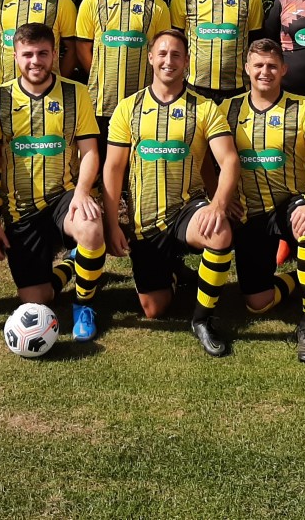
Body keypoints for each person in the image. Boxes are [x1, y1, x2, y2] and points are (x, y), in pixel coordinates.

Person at [102, 29, 241, 357]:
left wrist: (218, 205)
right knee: (154, 309)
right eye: (162, 53)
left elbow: (229, 160)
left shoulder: (204, 108)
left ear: (187, 61)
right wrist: (112, 224)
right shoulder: (128, 108)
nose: (169, 60)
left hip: (186, 209)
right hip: (145, 221)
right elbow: (113, 168)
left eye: (176, 54)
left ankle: (202, 319)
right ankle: (175, 273)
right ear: (151, 57)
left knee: (219, 232)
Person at [0, 23, 106, 341]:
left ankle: (84, 305)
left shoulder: (75, 93)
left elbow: (90, 152)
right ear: (15, 56)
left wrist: (82, 193)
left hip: (64, 196)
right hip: (20, 209)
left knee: (90, 227)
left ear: (54, 54)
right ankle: (71, 266)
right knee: (36, 300)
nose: (35, 61)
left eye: (42, 53)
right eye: (28, 54)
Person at [223, 39, 305, 363]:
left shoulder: (303, 107)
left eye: (272, 66)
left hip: (292, 203)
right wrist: (221, 197)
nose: (265, 71)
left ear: (284, 70)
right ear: (247, 69)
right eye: (258, 65)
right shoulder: (228, 110)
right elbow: (208, 156)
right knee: (257, 303)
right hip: (251, 212)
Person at [76, 0, 171, 128]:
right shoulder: (92, 2)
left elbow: (163, 54)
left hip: (143, 107)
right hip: (99, 106)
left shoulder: (158, 7)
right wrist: (103, 78)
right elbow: (82, 49)